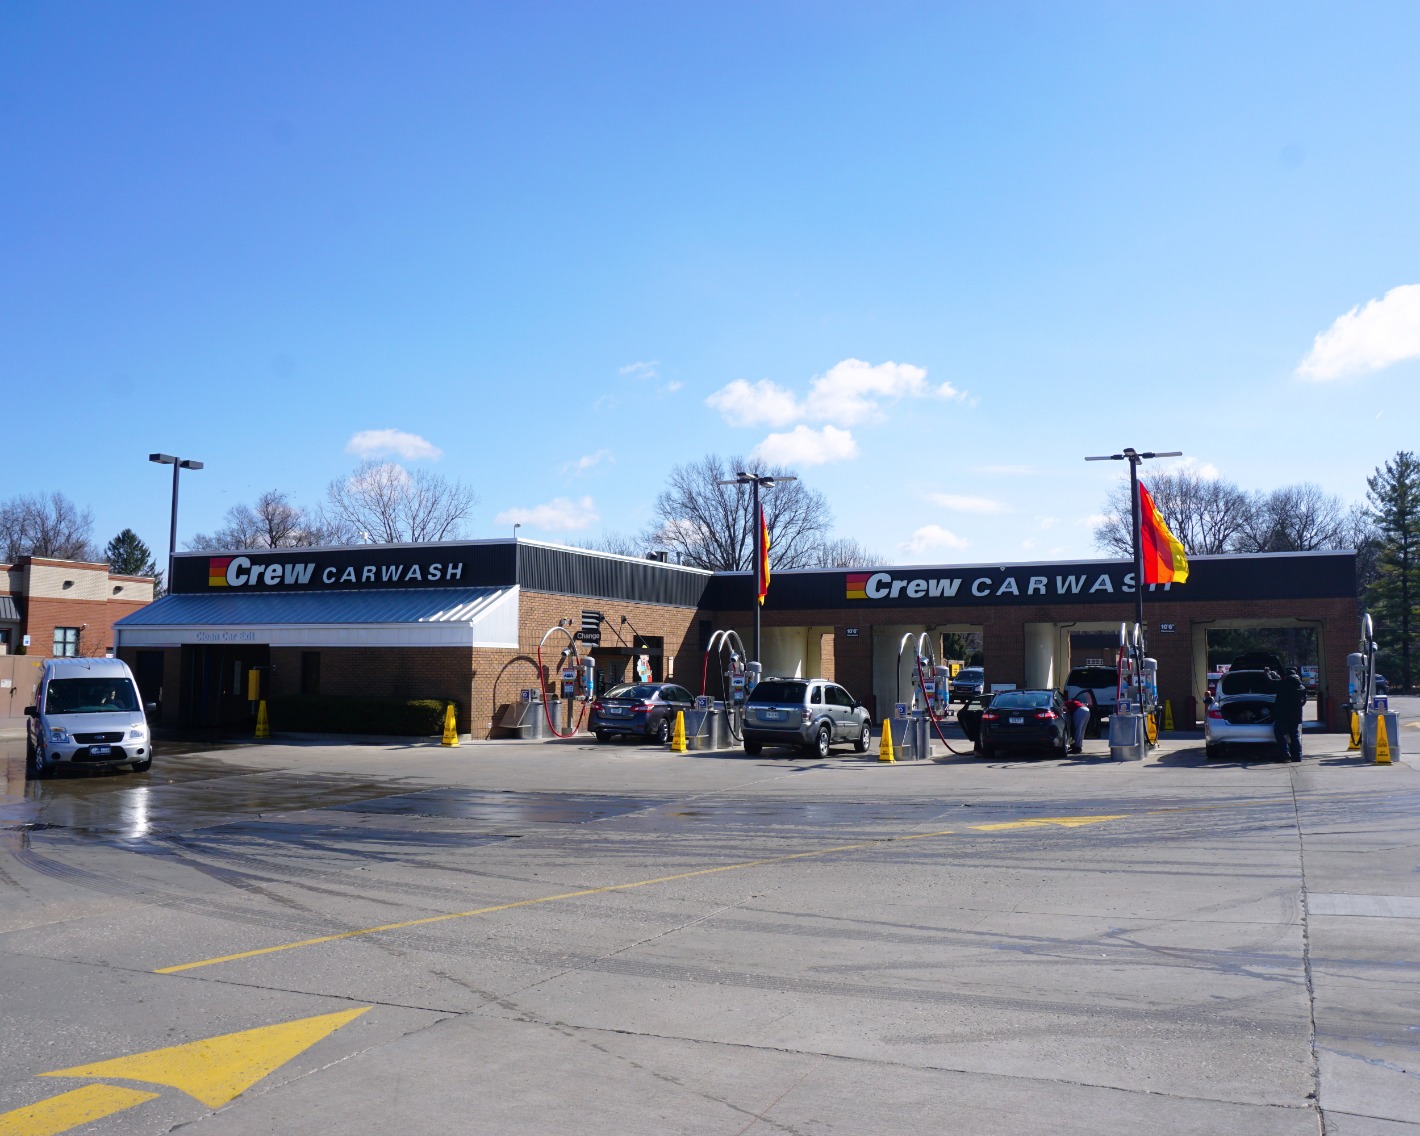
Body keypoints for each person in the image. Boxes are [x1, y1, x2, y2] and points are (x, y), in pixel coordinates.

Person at [1270, 666, 1307, 762]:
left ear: (1287, 676)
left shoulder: (1283, 684)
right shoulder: (1302, 687)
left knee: (1280, 734)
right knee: (1294, 736)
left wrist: (1267, 673)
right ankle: (1297, 757)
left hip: (1283, 716)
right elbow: (1303, 702)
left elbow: (1270, 683)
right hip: (1296, 717)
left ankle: (1285, 754)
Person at [1065, 688, 1094, 754]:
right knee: (1082, 730)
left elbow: (1063, 710)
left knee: (1077, 729)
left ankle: (1076, 748)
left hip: (1079, 711)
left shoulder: (1066, 703)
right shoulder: (1076, 702)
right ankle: (1079, 746)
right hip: (1087, 710)